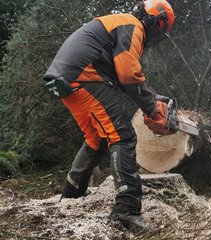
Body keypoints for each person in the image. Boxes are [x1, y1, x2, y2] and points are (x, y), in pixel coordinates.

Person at [43, 0, 175, 231]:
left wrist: (151, 98)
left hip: (65, 81)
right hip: (83, 76)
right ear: (155, 22)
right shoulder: (132, 25)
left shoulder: (120, 24)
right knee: (123, 137)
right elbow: (128, 74)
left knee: (97, 138)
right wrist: (152, 109)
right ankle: (126, 211)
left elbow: (122, 77)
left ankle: (71, 196)